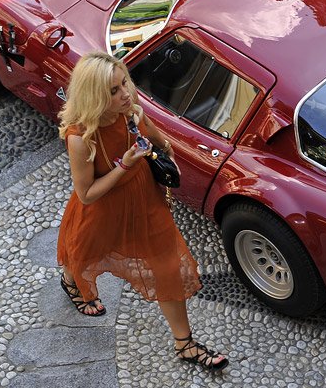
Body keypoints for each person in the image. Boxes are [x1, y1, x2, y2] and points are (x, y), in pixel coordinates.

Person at [56, 51, 228, 371]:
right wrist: (125, 164)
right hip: (102, 207)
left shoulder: (131, 112)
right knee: (83, 254)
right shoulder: (81, 138)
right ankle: (71, 283)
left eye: (124, 82)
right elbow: (87, 194)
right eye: (113, 91)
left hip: (145, 201)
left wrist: (167, 156)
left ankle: (185, 343)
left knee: (167, 268)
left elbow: (160, 143)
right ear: (94, 97)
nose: (126, 94)